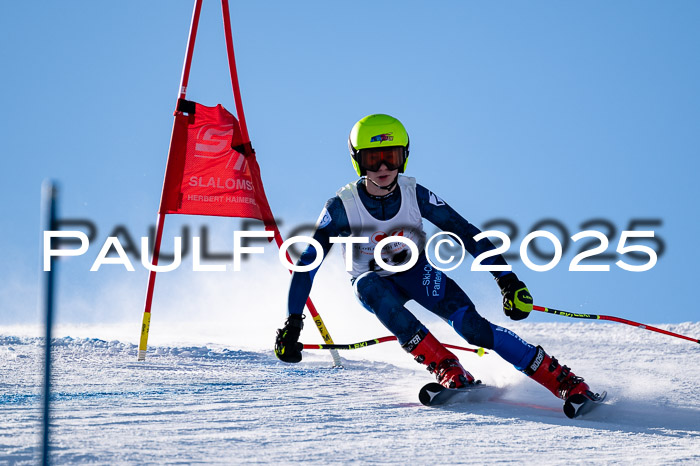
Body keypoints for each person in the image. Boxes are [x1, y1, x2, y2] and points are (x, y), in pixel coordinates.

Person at [275, 114, 597, 405]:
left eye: (392, 157)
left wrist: (506, 280)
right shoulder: (342, 206)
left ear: (405, 156)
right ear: (358, 162)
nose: (384, 168)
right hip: (373, 283)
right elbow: (307, 265)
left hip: (415, 272)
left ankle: (565, 382)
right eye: (374, 160)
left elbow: (465, 231)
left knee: (474, 330)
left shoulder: (414, 193)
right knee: (367, 286)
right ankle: (447, 367)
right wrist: (293, 322)